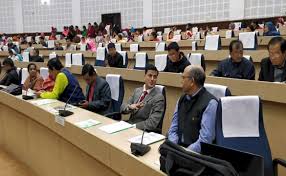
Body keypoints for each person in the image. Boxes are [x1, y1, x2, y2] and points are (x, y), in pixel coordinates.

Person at [168, 65, 218, 153]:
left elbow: (205, 140)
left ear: (192, 81)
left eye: (183, 78)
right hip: (178, 149)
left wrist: (184, 152)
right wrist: (174, 146)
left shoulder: (210, 103)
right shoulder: (181, 99)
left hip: (195, 154)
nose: (181, 81)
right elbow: (173, 128)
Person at [121, 64, 165, 132]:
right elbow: (122, 108)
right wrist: (129, 107)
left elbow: (152, 123)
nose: (152, 79)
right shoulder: (137, 91)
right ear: (144, 76)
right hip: (130, 126)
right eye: (150, 76)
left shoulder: (159, 97)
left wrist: (133, 126)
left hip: (142, 131)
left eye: (155, 77)